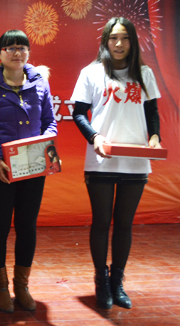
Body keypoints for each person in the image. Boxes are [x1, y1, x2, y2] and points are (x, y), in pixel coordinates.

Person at [70, 17, 162, 310]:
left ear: (132, 42)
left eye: (125, 38)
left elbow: (152, 112)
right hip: (101, 159)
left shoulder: (144, 74)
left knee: (124, 223)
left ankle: (117, 281)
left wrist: (155, 138)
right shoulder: (91, 72)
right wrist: (94, 137)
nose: (119, 44)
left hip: (135, 161)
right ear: (105, 41)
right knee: (101, 222)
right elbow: (79, 113)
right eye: (113, 38)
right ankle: (101, 279)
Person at [0, 30, 57, 313]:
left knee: (27, 226)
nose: (17, 53)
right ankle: (1, 287)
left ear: (28, 52)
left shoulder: (40, 83)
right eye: (10, 48)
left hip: (33, 169)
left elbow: (50, 122)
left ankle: (22, 286)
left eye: (22, 47)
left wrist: (46, 147)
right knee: (0, 226)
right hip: (0, 170)